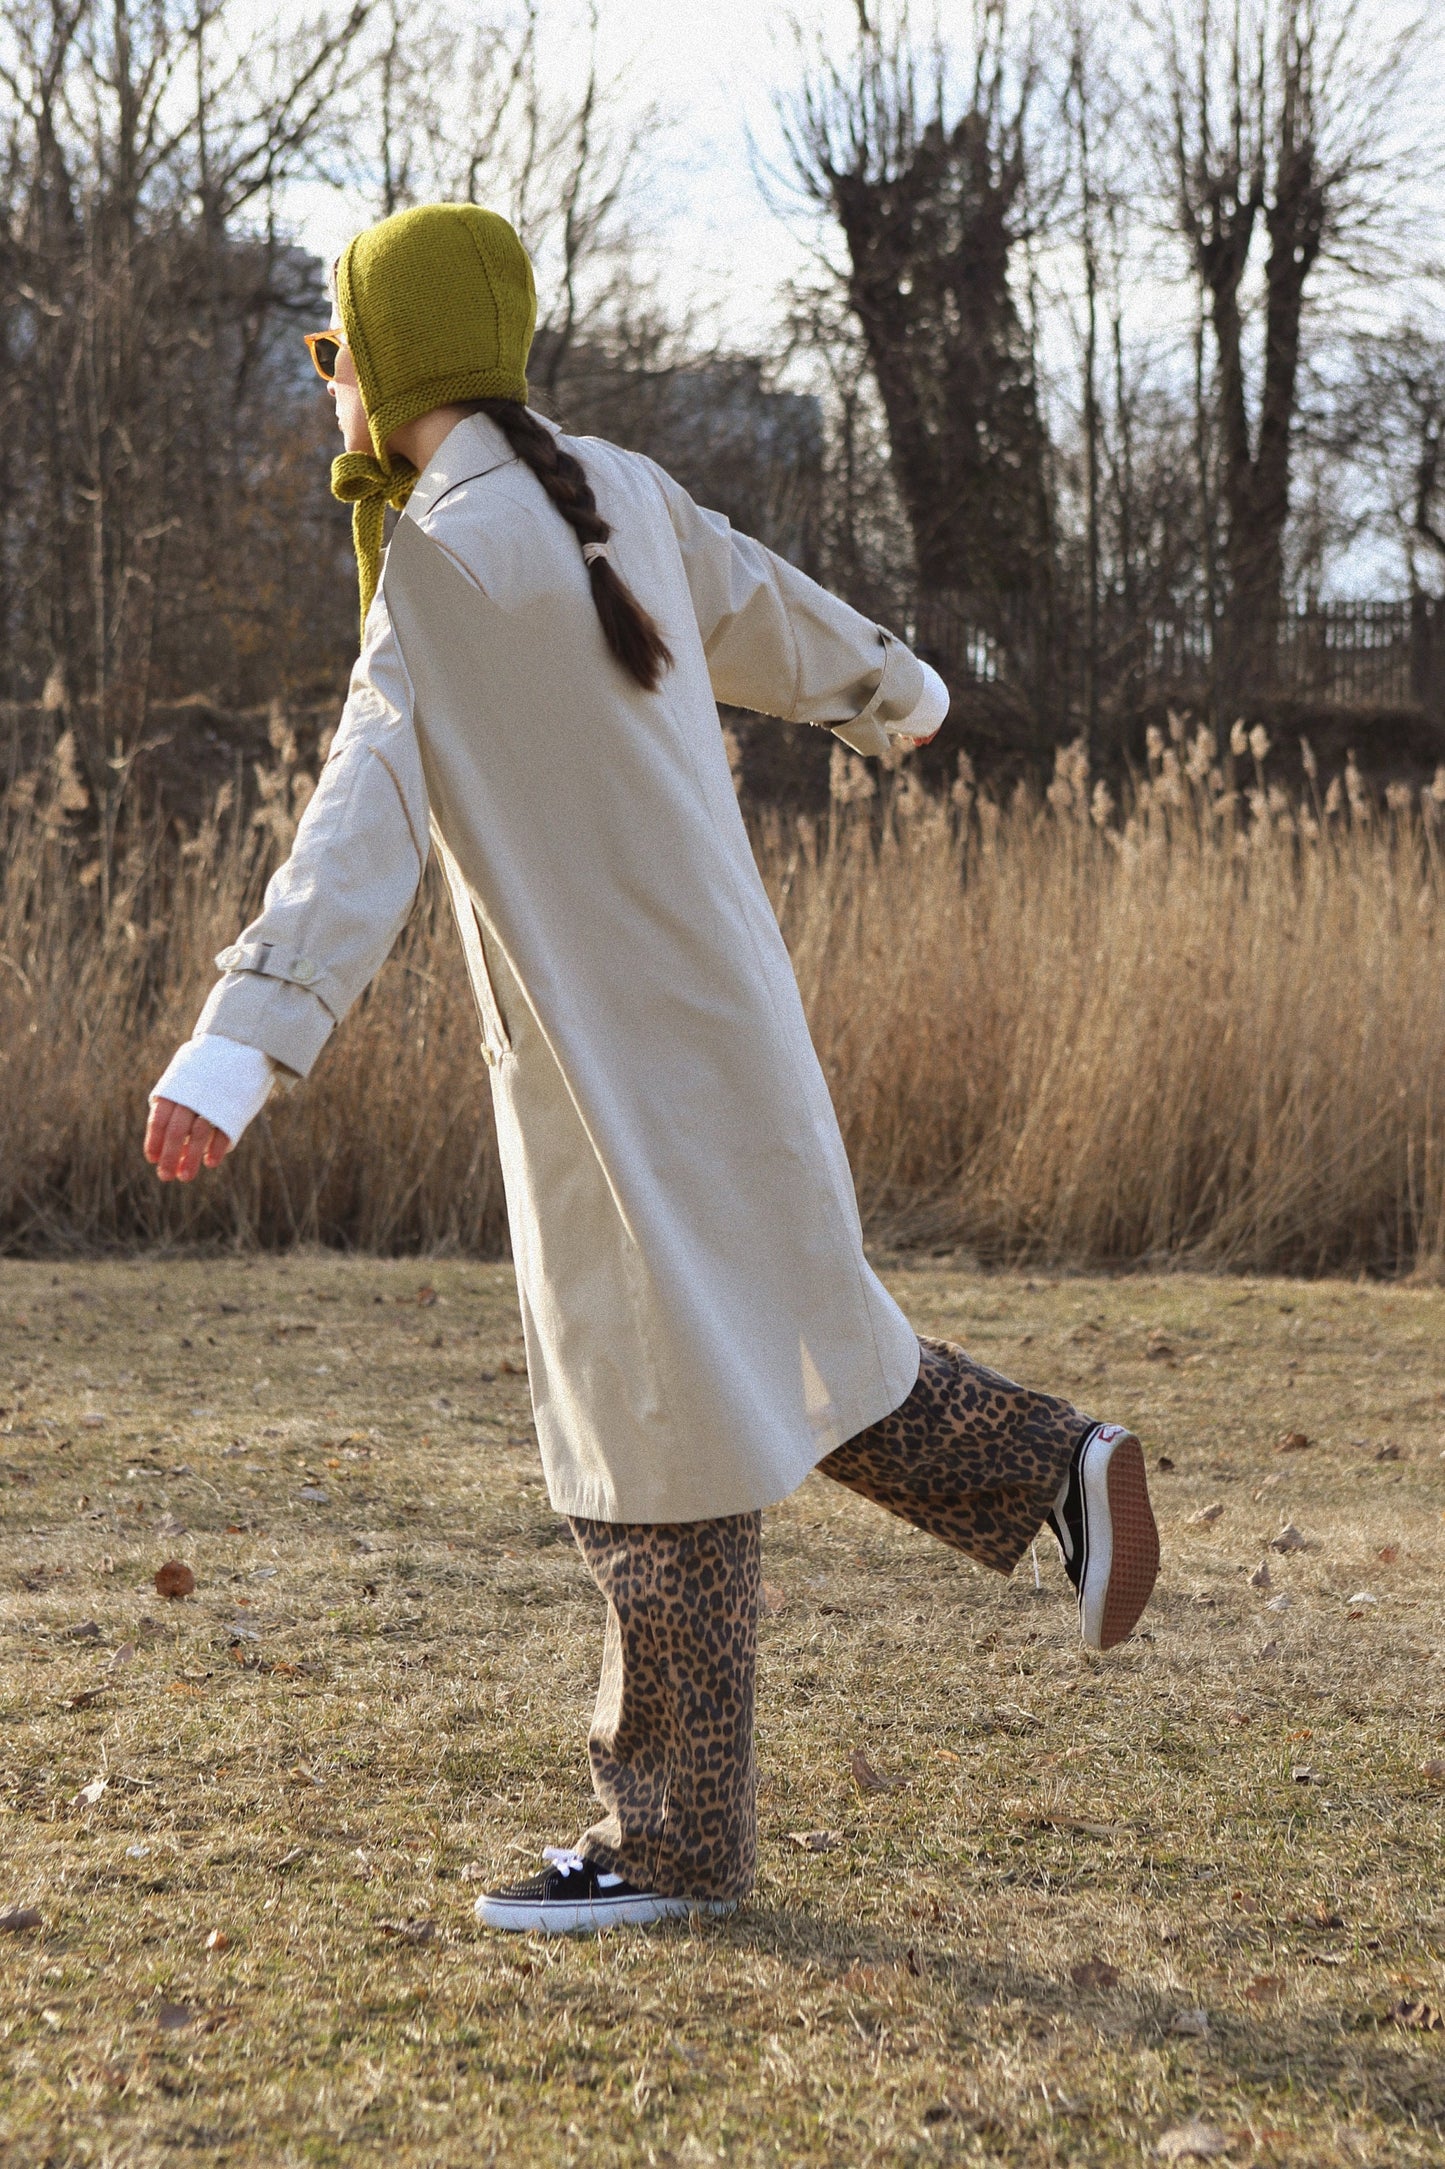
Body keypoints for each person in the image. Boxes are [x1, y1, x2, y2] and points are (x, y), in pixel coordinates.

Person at [145, 203, 1159, 1936]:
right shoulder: (613, 484)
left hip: (606, 1076)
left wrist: (237, 1045)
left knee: (646, 1436)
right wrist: (893, 690)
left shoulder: (439, 578)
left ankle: (674, 1848)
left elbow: (351, 834)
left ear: (382, 371)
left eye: (335, 354)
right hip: (732, 1026)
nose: (330, 386)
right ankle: (1059, 1467)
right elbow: (772, 608)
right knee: (793, 1354)